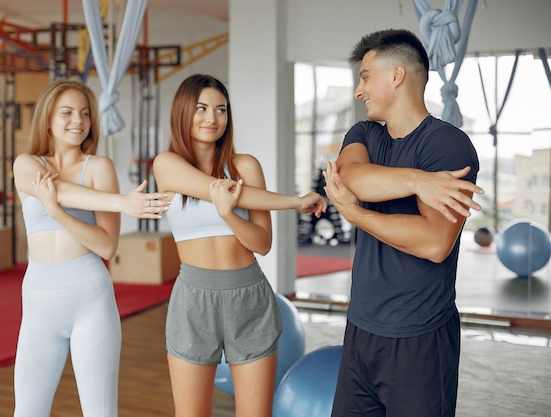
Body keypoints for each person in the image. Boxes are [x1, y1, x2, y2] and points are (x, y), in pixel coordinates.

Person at [322, 29, 484, 417]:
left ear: (396, 75)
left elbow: (433, 243)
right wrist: (418, 180)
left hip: (420, 338)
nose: (358, 91)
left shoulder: (448, 145)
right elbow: (351, 178)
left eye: (364, 77)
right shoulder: (363, 134)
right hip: (361, 330)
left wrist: (356, 213)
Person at [151, 73, 327, 417]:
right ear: (183, 112)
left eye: (221, 109)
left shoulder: (245, 166)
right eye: (201, 108)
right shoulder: (167, 165)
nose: (212, 118)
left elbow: (262, 244)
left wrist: (229, 216)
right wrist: (294, 201)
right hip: (193, 301)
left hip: (249, 296)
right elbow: (227, 192)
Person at [12, 79, 168, 417]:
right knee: (27, 411)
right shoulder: (27, 164)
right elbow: (60, 193)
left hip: (90, 298)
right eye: (67, 112)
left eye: (85, 113)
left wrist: (56, 213)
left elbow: (107, 246)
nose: (78, 121)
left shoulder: (98, 167)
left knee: (100, 413)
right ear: (48, 118)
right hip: (39, 301)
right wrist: (122, 203)